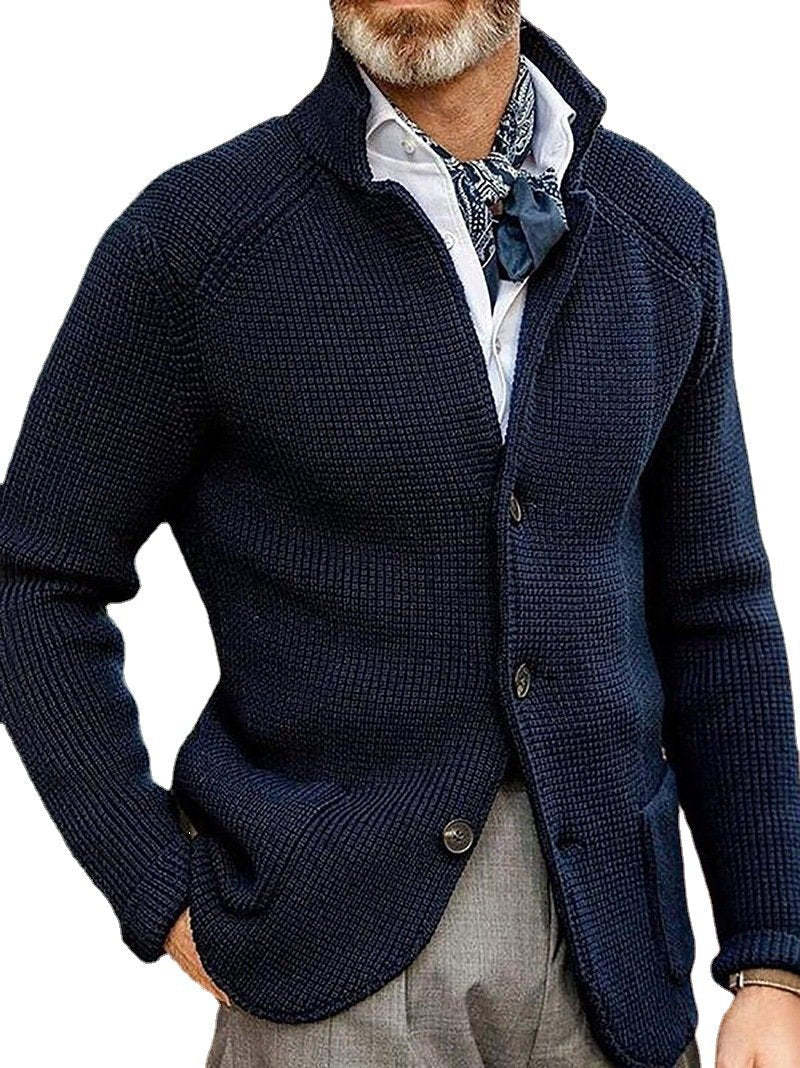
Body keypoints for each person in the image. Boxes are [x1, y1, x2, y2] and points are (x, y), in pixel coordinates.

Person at [1, 2, 799, 1065]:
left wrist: (771, 958)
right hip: (327, 964)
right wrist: (152, 884)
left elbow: (716, 605)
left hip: (615, 958)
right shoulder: (199, 243)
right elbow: (34, 575)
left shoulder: (659, 232)